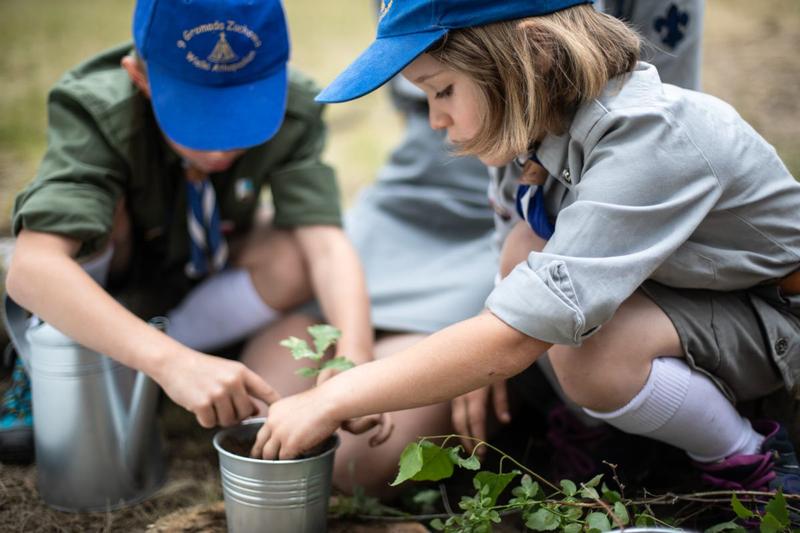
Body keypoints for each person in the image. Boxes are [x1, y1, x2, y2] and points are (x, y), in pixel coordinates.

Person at [251, 0, 800, 497]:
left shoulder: (650, 135)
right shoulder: (531, 133)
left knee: (594, 353)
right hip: (695, 303)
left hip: (775, 318)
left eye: (443, 90)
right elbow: (517, 280)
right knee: (523, 248)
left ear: (535, 51)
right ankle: (608, 440)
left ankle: (752, 461)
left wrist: (335, 396)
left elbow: (518, 334)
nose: (435, 119)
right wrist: (478, 349)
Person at [0, 0, 384, 463]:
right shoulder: (100, 109)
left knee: (292, 253)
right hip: (113, 283)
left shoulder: (294, 108)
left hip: (196, 281)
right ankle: (54, 359)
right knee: (80, 220)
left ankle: (172, 365)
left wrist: (356, 356)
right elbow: (32, 268)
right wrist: (171, 362)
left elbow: (325, 246)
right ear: (140, 79)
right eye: (197, 119)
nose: (221, 147)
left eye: (242, 115)